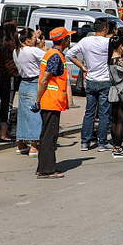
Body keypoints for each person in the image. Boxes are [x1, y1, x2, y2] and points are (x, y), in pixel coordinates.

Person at [67, 17, 114, 152]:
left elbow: (70, 54)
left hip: (91, 80)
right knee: (104, 113)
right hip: (105, 80)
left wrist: (83, 67)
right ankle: (102, 142)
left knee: (89, 112)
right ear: (105, 28)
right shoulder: (108, 42)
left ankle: (85, 142)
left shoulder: (85, 41)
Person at [36, 27, 74, 178]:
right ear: (63, 40)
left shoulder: (51, 53)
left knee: (48, 134)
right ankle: (46, 170)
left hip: (50, 100)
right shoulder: (56, 56)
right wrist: (37, 99)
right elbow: (45, 79)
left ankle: (46, 167)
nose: (69, 40)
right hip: (51, 101)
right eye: (68, 38)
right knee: (49, 136)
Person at [13, 28, 44, 158]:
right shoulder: (34, 50)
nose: (36, 40)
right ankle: (34, 146)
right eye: (34, 38)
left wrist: (35, 38)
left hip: (23, 83)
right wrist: (42, 45)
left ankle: (21, 143)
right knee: (35, 114)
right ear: (28, 39)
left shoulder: (16, 51)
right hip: (34, 82)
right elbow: (49, 57)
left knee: (23, 114)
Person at [0, 20, 20, 142]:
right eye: (16, 28)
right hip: (9, 76)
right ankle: (3, 133)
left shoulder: (0, 42)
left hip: (1, 76)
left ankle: (4, 131)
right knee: (7, 104)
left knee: (4, 103)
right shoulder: (10, 44)